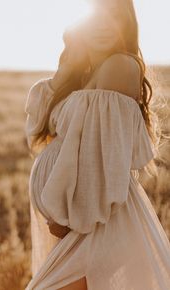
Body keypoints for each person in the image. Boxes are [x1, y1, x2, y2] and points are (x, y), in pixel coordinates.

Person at [24, 0, 170, 289]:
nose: (104, 25)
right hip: (83, 221)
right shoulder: (87, 72)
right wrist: (68, 69)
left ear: (126, 23)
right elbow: (38, 128)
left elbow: (99, 158)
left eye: (114, 16)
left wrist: (69, 217)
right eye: (96, 17)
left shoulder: (119, 66)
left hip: (93, 220)